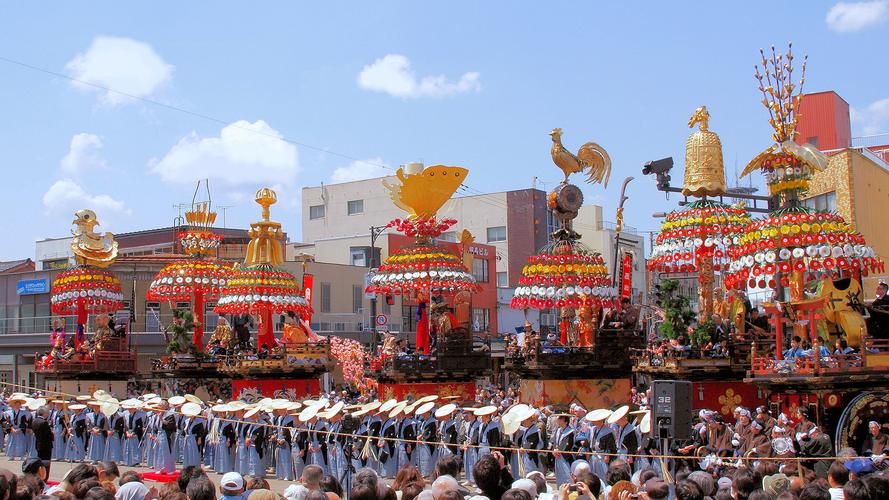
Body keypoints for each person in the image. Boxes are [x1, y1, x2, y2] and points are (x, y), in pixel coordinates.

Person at [30, 405, 53, 475]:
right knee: (46, 462)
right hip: (46, 445)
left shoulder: (34, 421)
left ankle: (40, 474)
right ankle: (44, 475)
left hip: (38, 443)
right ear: (44, 413)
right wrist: (52, 434)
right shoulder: (44, 422)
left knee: (40, 460)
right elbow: (49, 435)